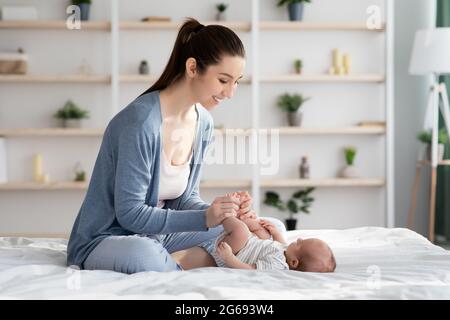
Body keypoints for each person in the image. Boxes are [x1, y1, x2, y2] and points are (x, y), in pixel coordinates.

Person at [66, 17, 285, 274]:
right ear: (193, 68)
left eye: (236, 81)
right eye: (223, 80)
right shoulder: (141, 123)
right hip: (108, 238)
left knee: (269, 225)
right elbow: (130, 214)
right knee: (144, 253)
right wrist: (205, 218)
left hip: (159, 235)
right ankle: (186, 264)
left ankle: (180, 259)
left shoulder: (203, 122)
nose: (230, 92)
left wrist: (226, 213)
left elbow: (185, 199)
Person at [174, 192, 336, 272]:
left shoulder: (278, 264)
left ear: (294, 263)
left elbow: (251, 269)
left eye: (301, 244)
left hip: (234, 253)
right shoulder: (285, 252)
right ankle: (238, 215)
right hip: (247, 245)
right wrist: (272, 231)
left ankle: (226, 214)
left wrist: (229, 258)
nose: (299, 239)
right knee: (265, 230)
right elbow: (279, 243)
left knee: (242, 231)